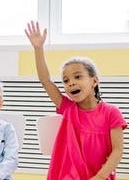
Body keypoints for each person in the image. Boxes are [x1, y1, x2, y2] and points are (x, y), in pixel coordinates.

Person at [25, 21, 127, 180]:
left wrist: (99, 177)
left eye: (78, 77)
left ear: (94, 81)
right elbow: (45, 80)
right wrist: (38, 49)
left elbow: (118, 150)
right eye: (65, 80)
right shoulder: (67, 107)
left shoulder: (111, 112)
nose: (71, 82)